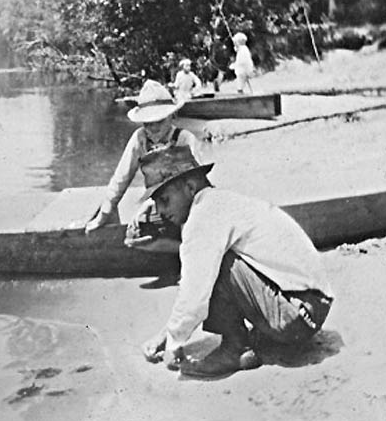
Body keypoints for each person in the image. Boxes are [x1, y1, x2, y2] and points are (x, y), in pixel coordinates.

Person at [132, 146, 334, 378]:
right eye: (156, 203)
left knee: (214, 263)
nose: (160, 211)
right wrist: (167, 333)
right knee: (210, 261)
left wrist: (173, 342)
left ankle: (235, 349)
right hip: (310, 309)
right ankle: (248, 339)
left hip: (295, 317)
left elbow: (195, 292)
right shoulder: (220, 203)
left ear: (190, 188)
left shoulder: (204, 216)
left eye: (165, 200)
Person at [85, 80, 200, 235]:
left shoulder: (185, 139)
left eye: (159, 121)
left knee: (189, 232)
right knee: (134, 234)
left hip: (186, 206)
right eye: (148, 123)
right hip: (157, 205)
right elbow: (121, 178)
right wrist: (103, 214)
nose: (153, 128)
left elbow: (203, 181)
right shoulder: (140, 139)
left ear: (172, 115)